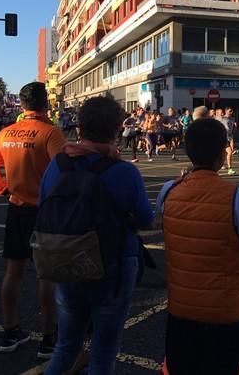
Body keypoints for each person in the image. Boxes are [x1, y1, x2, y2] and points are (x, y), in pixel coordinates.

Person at [42, 97, 153, 374]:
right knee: (103, 352)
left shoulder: (58, 165)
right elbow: (146, 219)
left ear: (79, 128)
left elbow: (43, 204)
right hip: (112, 265)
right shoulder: (124, 172)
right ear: (116, 129)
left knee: (66, 345)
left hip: (65, 258)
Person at [157, 118, 239, 375]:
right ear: (222, 155)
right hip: (224, 314)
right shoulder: (235, 196)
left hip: (181, 310)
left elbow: (162, 226)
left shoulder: (167, 192)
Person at [0, 82, 67, 357]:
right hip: (43, 212)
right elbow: (63, 173)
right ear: (45, 104)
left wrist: (2, 188)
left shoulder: (6, 133)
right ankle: (49, 338)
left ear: (23, 105)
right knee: (46, 275)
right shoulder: (50, 133)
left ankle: (10, 331)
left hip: (16, 209)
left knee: (13, 272)